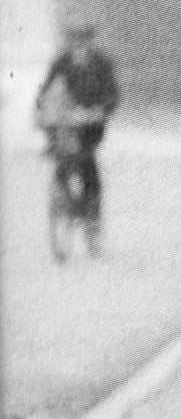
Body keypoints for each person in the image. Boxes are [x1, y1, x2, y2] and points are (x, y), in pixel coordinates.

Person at [35, 22, 120, 252]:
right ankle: (61, 201)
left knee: (88, 164)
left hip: (91, 123)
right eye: (75, 39)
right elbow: (46, 89)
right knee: (62, 160)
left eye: (84, 39)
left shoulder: (102, 63)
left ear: (91, 41)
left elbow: (112, 93)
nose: (79, 44)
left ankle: (92, 218)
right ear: (69, 41)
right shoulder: (61, 62)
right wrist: (41, 108)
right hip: (64, 123)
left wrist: (103, 109)